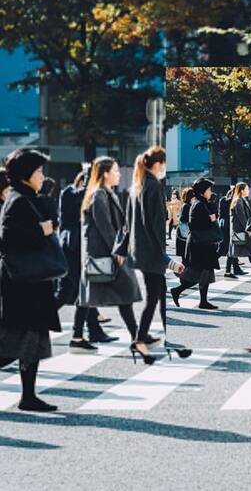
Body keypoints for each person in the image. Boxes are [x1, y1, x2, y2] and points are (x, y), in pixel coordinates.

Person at [0, 149, 61, 411]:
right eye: (39, 172)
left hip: (31, 282)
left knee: (31, 341)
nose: (42, 176)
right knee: (16, 342)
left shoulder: (26, 197)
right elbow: (9, 240)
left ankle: (28, 396)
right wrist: (41, 230)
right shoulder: (18, 201)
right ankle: (28, 396)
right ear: (26, 174)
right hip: (22, 284)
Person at [78, 157, 142, 353]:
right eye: (115, 171)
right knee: (120, 293)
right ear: (105, 173)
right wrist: (118, 250)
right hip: (104, 255)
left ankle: (136, 337)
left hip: (104, 254)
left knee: (93, 297)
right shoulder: (99, 195)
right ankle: (137, 337)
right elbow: (105, 227)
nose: (119, 174)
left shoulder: (105, 193)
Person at [117, 146, 174, 364]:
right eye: (164, 164)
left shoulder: (137, 186)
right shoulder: (154, 186)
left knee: (159, 293)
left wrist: (123, 250)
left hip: (140, 250)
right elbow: (157, 224)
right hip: (152, 251)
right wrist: (164, 254)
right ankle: (140, 339)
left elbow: (127, 224)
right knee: (154, 297)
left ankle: (147, 337)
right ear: (158, 164)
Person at [56, 167, 113, 346]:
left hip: (80, 250)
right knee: (86, 291)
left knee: (66, 293)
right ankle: (82, 334)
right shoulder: (69, 194)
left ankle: (34, 323)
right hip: (71, 250)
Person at [170, 178, 221, 310]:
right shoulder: (198, 204)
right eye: (209, 189)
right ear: (202, 191)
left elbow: (212, 214)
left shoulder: (202, 203)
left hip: (203, 243)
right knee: (200, 272)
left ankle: (201, 300)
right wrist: (210, 219)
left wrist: (212, 214)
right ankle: (179, 291)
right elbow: (194, 224)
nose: (210, 192)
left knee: (205, 272)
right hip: (199, 244)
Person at [227, 182, 251, 284]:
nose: (249, 191)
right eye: (247, 189)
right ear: (242, 190)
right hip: (241, 231)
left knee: (241, 251)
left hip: (241, 231)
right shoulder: (238, 201)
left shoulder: (241, 200)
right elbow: (242, 218)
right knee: (249, 250)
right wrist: (248, 229)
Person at [218, 186, 243, 279]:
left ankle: (234, 269)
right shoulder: (233, 201)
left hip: (225, 226)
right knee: (224, 249)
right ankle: (207, 265)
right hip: (230, 227)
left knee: (231, 248)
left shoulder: (223, 200)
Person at [175, 187, 193, 264]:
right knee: (186, 260)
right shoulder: (187, 206)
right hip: (185, 235)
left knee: (185, 259)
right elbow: (184, 219)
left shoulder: (185, 205)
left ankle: (184, 274)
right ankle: (184, 275)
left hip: (183, 235)